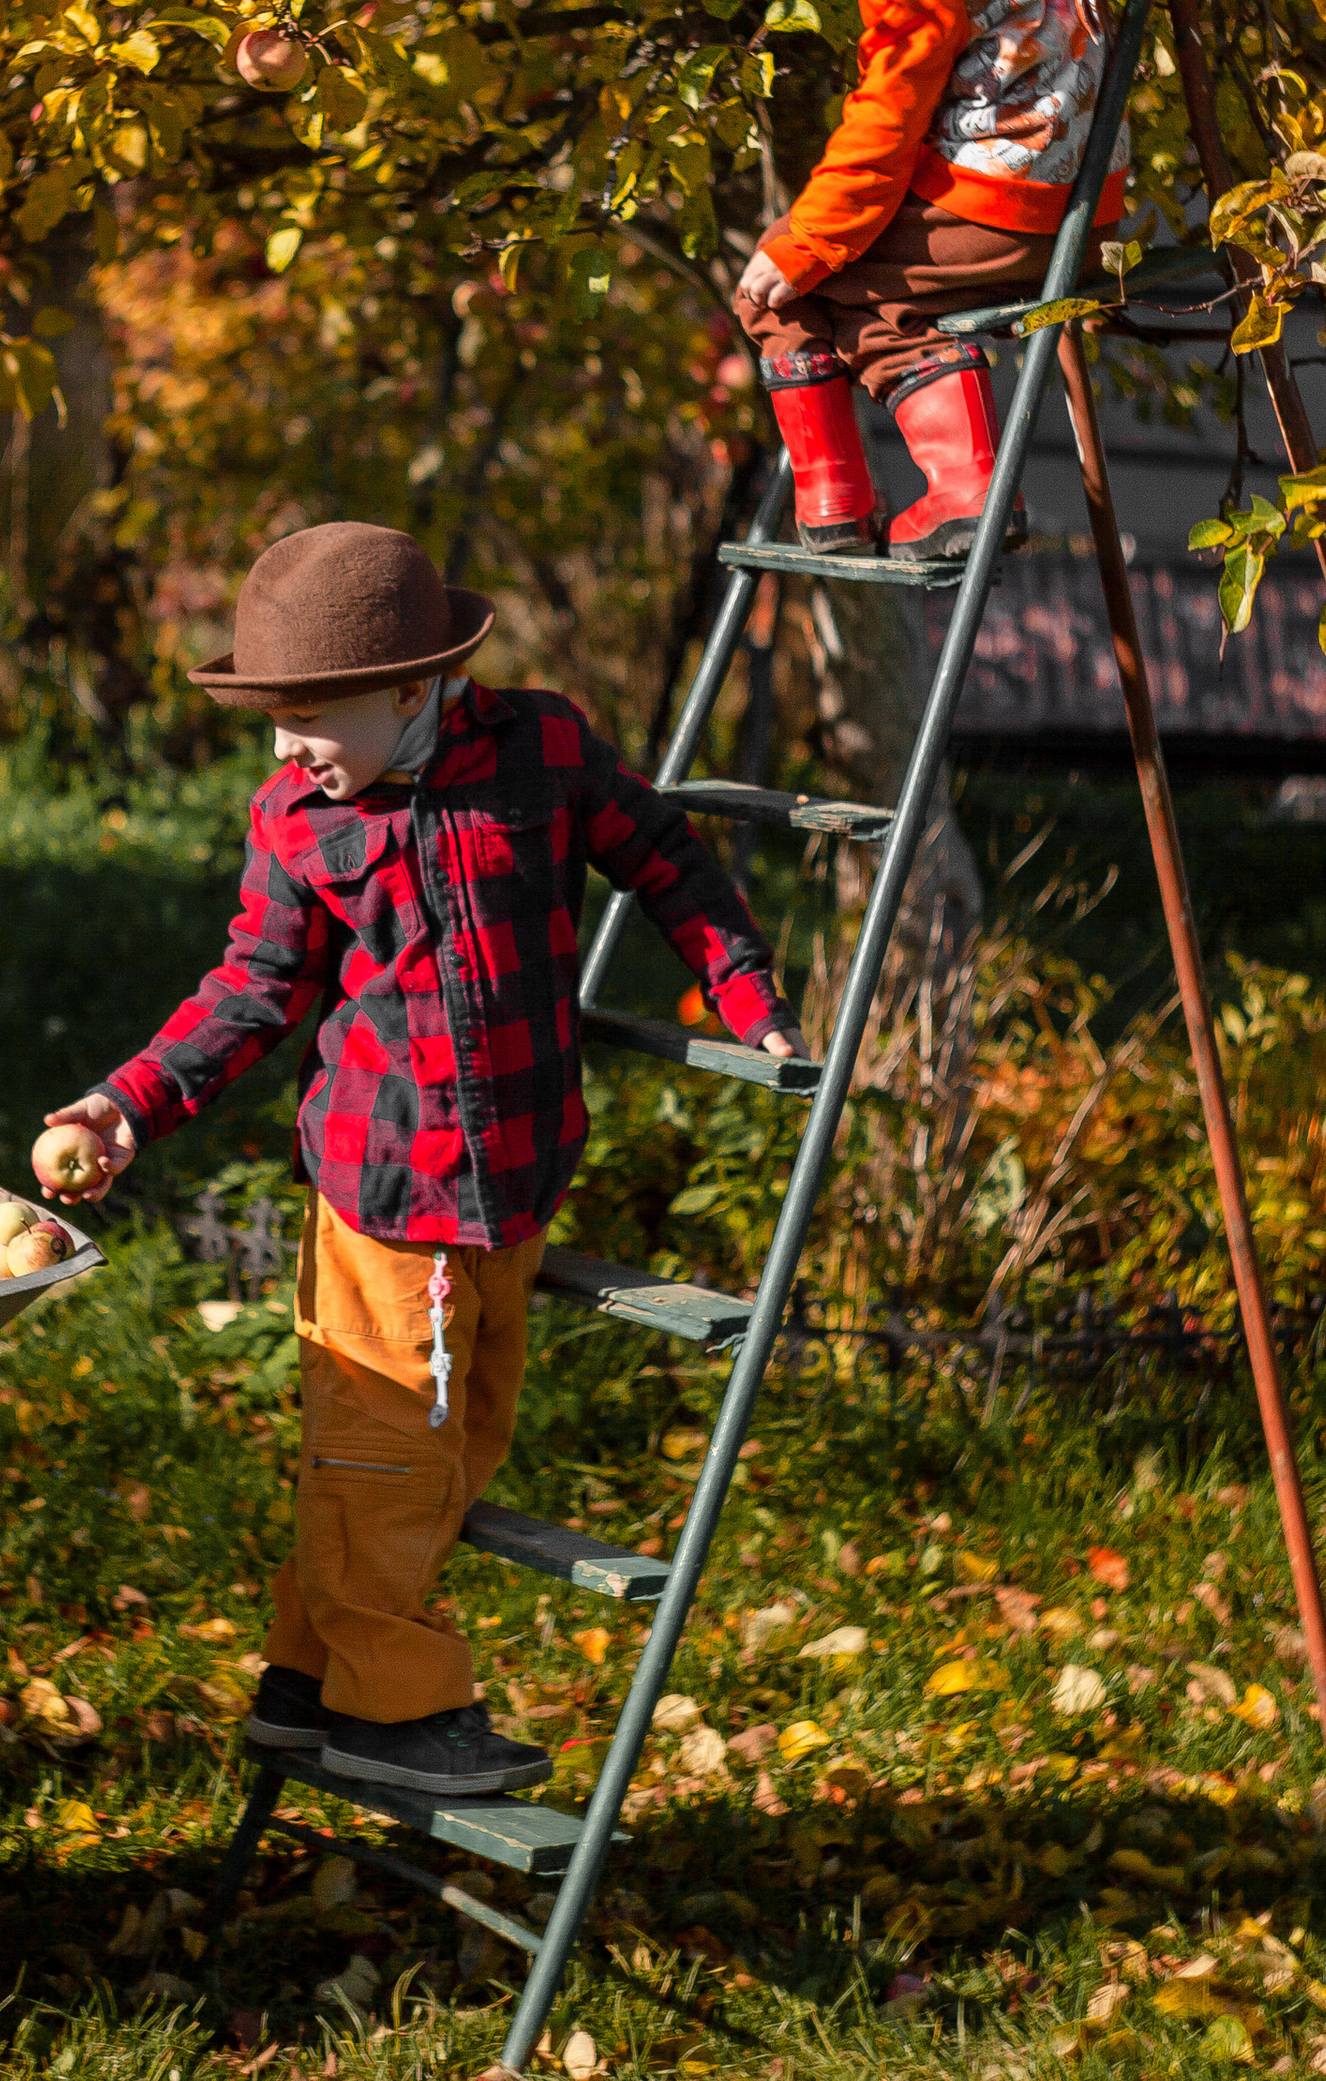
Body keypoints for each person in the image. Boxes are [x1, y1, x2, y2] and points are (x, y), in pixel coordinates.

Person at [39, 520, 799, 1803]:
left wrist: (739, 988)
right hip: (385, 1195)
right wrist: (129, 1101)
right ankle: (395, 1707)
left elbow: (661, 854)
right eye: (270, 717)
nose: (284, 746)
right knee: (385, 1458)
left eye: (309, 716)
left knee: (450, 1453)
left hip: (515, 1184)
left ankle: (304, 1680)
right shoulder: (295, 818)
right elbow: (253, 987)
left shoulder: (543, 751)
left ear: (411, 689)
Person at [730, 0, 1143, 558]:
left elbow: (887, 122)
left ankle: (941, 496)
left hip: (991, 206)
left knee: (805, 293)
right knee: (821, 278)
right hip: (1080, 197)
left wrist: (807, 241)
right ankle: (850, 505)